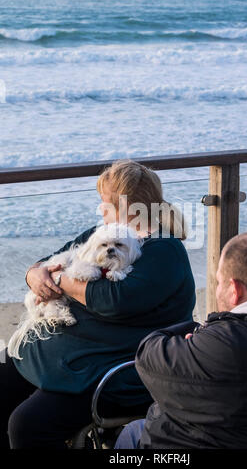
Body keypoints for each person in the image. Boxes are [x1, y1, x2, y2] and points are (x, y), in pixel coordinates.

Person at [0, 160, 196, 449]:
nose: (100, 211)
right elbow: (52, 259)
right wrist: (35, 274)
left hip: (115, 369)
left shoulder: (164, 250)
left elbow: (113, 301)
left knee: (28, 425)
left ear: (128, 207)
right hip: (70, 355)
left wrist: (63, 281)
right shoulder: (103, 232)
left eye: (105, 204)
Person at [115, 231, 247, 449]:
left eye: (219, 281)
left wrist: (201, 328)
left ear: (234, 289)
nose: (216, 288)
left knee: (132, 432)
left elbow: (148, 357)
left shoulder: (228, 345)